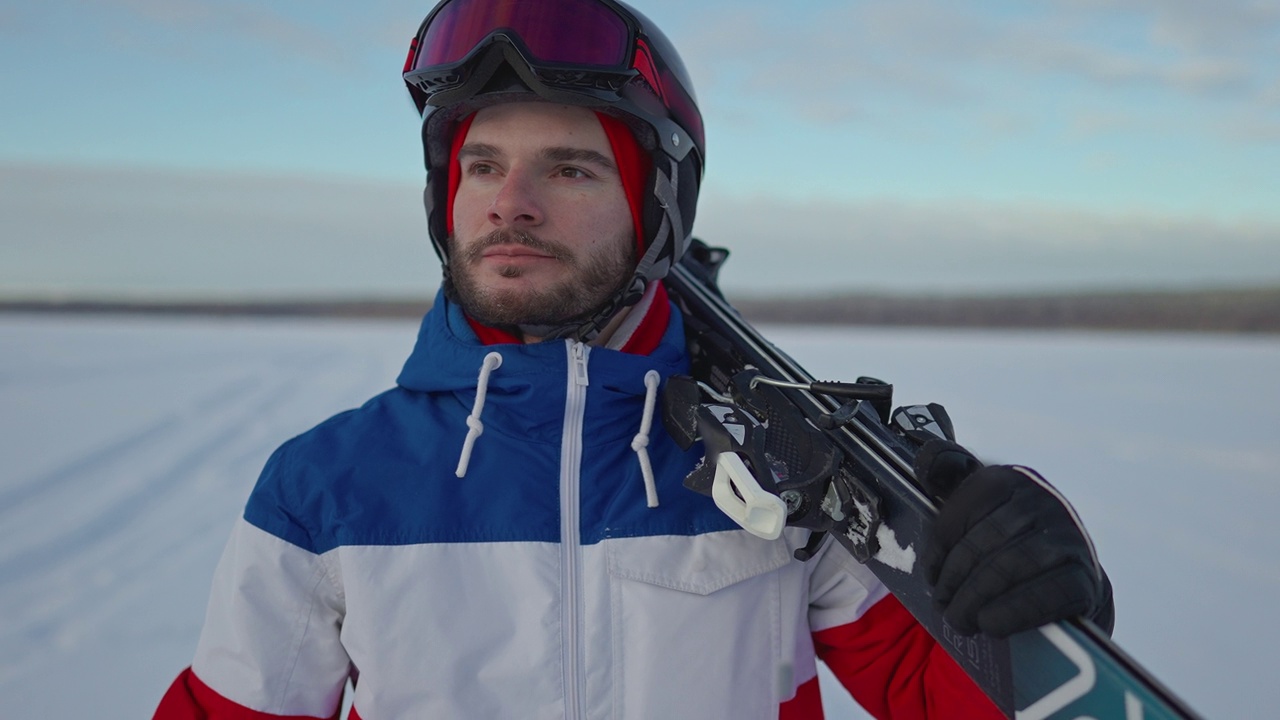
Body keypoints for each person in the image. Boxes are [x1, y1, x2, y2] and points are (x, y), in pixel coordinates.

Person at [154, 1, 1114, 718]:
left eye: (570, 168)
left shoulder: (783, 471)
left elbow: (957, 699)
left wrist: (1017, 566)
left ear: (659, 209)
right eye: (481, 164)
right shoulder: (325, 487)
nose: (509, 202)